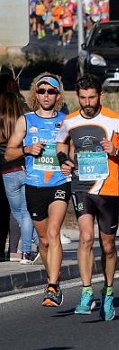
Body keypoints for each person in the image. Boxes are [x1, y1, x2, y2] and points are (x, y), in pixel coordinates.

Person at [56, 75, 119, 320]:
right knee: (85, 238)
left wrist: (116, 151)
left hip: (109, 190)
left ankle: (108, 291)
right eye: (82, 98)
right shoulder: (70, 120)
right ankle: (86, 292)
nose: (87, 102)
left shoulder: (115, 120)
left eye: (91, 97)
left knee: (107, 246)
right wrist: (65, 161)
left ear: (100, 96)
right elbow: (60, 145)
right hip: (81, 185)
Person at [4, 75, 69, 304]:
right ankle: (55, 278)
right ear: (36, 94)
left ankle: (52, 287)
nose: (46, 95)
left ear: (58, 95)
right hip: (34, 185)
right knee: (43, 240)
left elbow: (76, 151)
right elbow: (8, 153)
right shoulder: (26, 120)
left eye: (51, 92)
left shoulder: (66, 121)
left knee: (53, 232)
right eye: (41, 91)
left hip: (60, 183)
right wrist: (27, 149)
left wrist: (71, 163)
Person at [1, 91, 35, 265]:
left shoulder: (1, 122)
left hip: (7, 172)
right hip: (24, 167)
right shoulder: (24, 122)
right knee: (26, 212)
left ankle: (36, 245)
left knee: (17, 213)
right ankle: (31, 248)